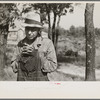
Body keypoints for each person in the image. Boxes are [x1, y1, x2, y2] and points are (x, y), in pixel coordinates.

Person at [11, 12, 57, 81]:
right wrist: (20, 57)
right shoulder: (20, 44)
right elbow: (14, 68)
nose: (29, 32)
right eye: (27, 29)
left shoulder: (47, 43)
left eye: (33, 29)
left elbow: (53, 66)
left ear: (38, 30)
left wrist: (37, 56)